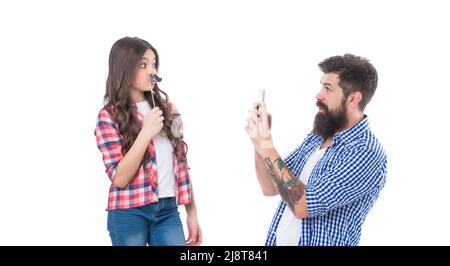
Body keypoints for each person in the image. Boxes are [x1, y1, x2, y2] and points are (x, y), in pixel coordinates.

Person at [245, 54, 387, 246]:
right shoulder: (318, 137)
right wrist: (259, 142)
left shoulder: (365, 153)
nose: (318, 95)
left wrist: (267, 144)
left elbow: (301, 204)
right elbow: (271, 187)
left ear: (353, 99)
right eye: (321, 86)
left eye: (328, 89)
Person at [94, 37, 201, 246]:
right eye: (143, 65)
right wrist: (146, 133)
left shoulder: (169, 110)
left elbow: (181, 162)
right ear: (124, 68)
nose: (151, 70)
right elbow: (120, 178)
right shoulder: (109, 116)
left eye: (153, 64)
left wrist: (192, 212)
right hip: (128, 212)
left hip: (168, 210)